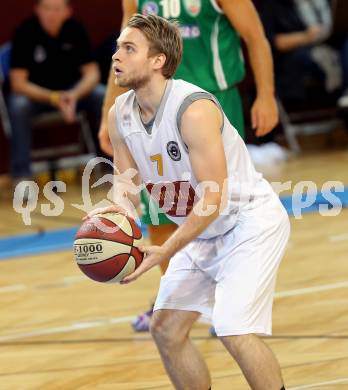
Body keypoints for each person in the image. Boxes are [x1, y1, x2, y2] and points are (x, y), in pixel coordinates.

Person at [88, 14, 289, 390]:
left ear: (157, 60)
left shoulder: (193, 109)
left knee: (233, 328)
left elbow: (213, 198)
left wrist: (165, 251)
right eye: (117, 47)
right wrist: (113, 219)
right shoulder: (119, 115)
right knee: (165, 329)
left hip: (248, 223)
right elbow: (127, 188)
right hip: (201, 232)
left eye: (128, 48)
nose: (116, 55)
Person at [8, 0, 105, 182]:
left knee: (101, 94)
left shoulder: (76, 29)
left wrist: (73, 95)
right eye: (46, 8)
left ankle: (109, 165)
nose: (51, 14)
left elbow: (92, 74)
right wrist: (54, 98)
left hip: (72, 93)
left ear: (67, 11)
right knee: (18, 105)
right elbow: (18, 83)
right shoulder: (25, 32)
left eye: (57, 9)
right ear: (37, 10)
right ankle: (21, 175)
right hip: (38, 97)